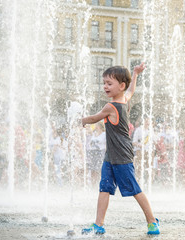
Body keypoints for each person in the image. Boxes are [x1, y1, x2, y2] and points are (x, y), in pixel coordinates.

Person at [80, 63, 160, 235]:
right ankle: (98, 224)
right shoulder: (124, 99)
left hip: (122, 155)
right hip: (111, 155)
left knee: (134, 189)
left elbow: (94, 118)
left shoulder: (111, 107)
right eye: (104, 83)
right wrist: (136, 73)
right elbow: (131, 90)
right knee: (104, 188)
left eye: (109, 83)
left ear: (120, 86)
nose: (105, 86)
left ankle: (152, 221)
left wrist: (81, 120)